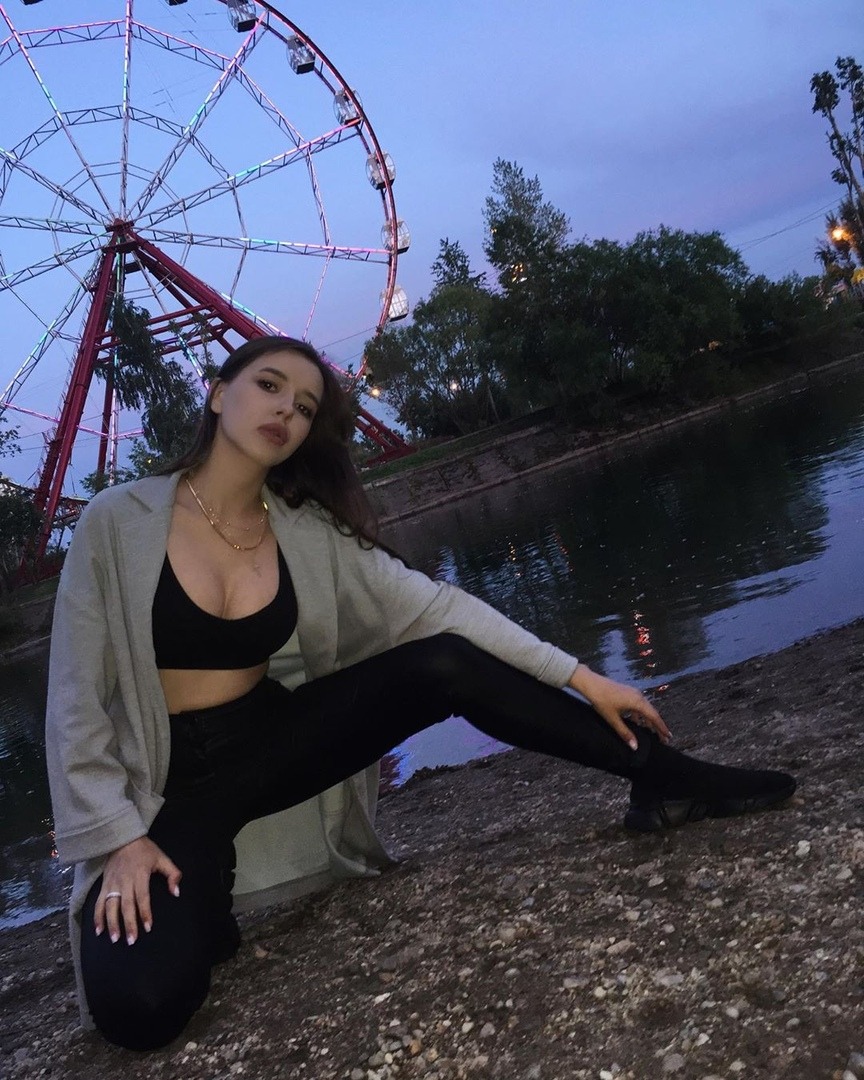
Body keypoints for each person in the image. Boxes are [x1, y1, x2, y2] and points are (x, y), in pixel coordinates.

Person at [45, 336, 795, 1051]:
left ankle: (661, 777)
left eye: (305, 406)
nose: (285, 411)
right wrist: (120, 838)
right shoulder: (119, 521)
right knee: (139, 1009)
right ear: (217, 394)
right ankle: (205, 891)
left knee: (442, 662)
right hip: (169, 794)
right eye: (268, 386)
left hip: (269, 742)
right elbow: (76, 697)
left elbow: (439, 607)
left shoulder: (302, 529)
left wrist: (582, 675)